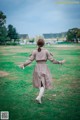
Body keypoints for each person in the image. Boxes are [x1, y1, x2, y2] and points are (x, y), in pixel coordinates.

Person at [20, 39, 65, 104]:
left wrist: (23, 64)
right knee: (42, 84)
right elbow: (52, 60)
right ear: (44, 44)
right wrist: (60, 62)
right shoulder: (46, 51)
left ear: (37, 44)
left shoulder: (35, 51)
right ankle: (39, 97)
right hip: (43, 68)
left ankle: (41, 95)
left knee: (41, 82)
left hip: (37, 68)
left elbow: (30, 60)